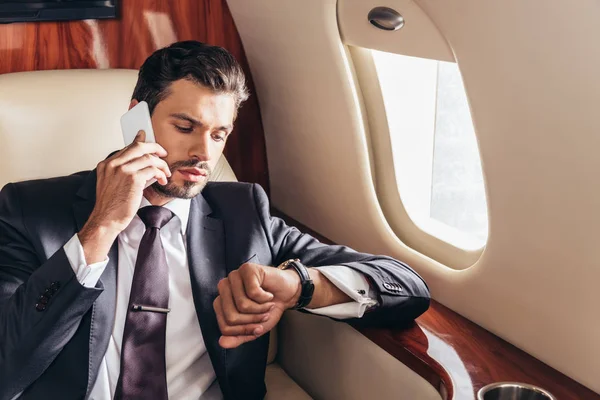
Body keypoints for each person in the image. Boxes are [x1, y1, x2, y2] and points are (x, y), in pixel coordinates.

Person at [0, 41, 430, 400]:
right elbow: (7, 362)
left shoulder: (244, 212)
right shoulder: (27, 207)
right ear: (137, 118)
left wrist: (300, 287)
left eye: (219, 134)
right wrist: (101, 228)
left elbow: (405, 285)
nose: (206, 153)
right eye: (186, 126)